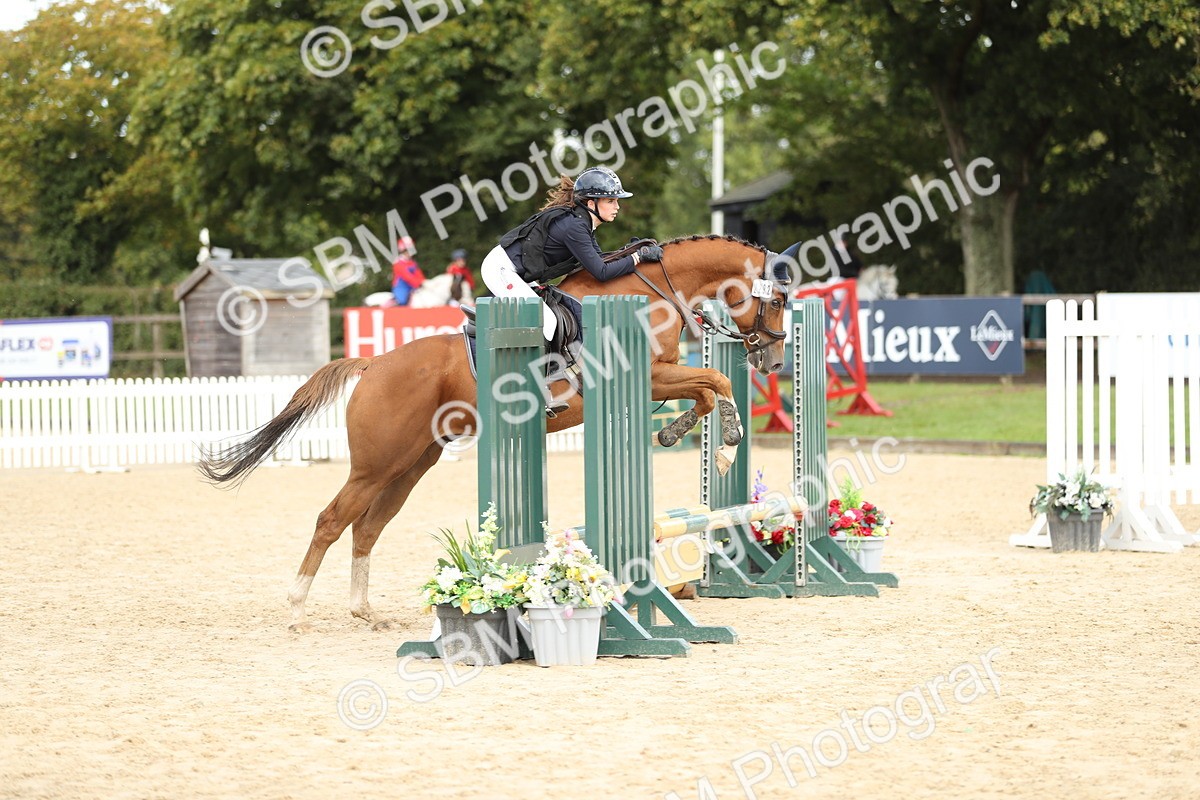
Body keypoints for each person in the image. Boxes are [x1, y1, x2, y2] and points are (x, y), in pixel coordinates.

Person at [481, 166, 663, 342]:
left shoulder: (583, 224)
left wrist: (629, 253)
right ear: (591, 203)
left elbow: (601, 261)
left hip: (517, 272)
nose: (617, 207)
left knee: (552, 315)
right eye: (610, 201)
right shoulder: (575, 227)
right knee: (548, 322)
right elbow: (602, 272)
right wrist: (638, 257)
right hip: (500, 270)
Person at [390, 236, 425, 306]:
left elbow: (419, 274)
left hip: (413, 287)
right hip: (401, 288)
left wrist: (424, 282)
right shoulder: (398, 263)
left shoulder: (413, 263)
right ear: (403, 251)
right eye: (408, 250)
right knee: (402, 301)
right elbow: (407, 277)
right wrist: (419, 283)